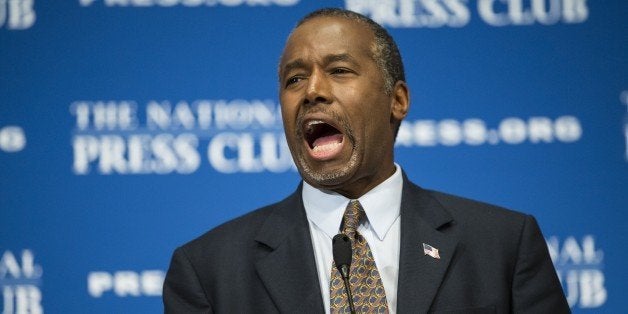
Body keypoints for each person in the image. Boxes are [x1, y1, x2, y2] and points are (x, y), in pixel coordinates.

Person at [163, 8, 570, 314]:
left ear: (397, 100)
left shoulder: (502, 245)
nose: (312, 92)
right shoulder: (208, 271)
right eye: (295, 79)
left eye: (339, 70)